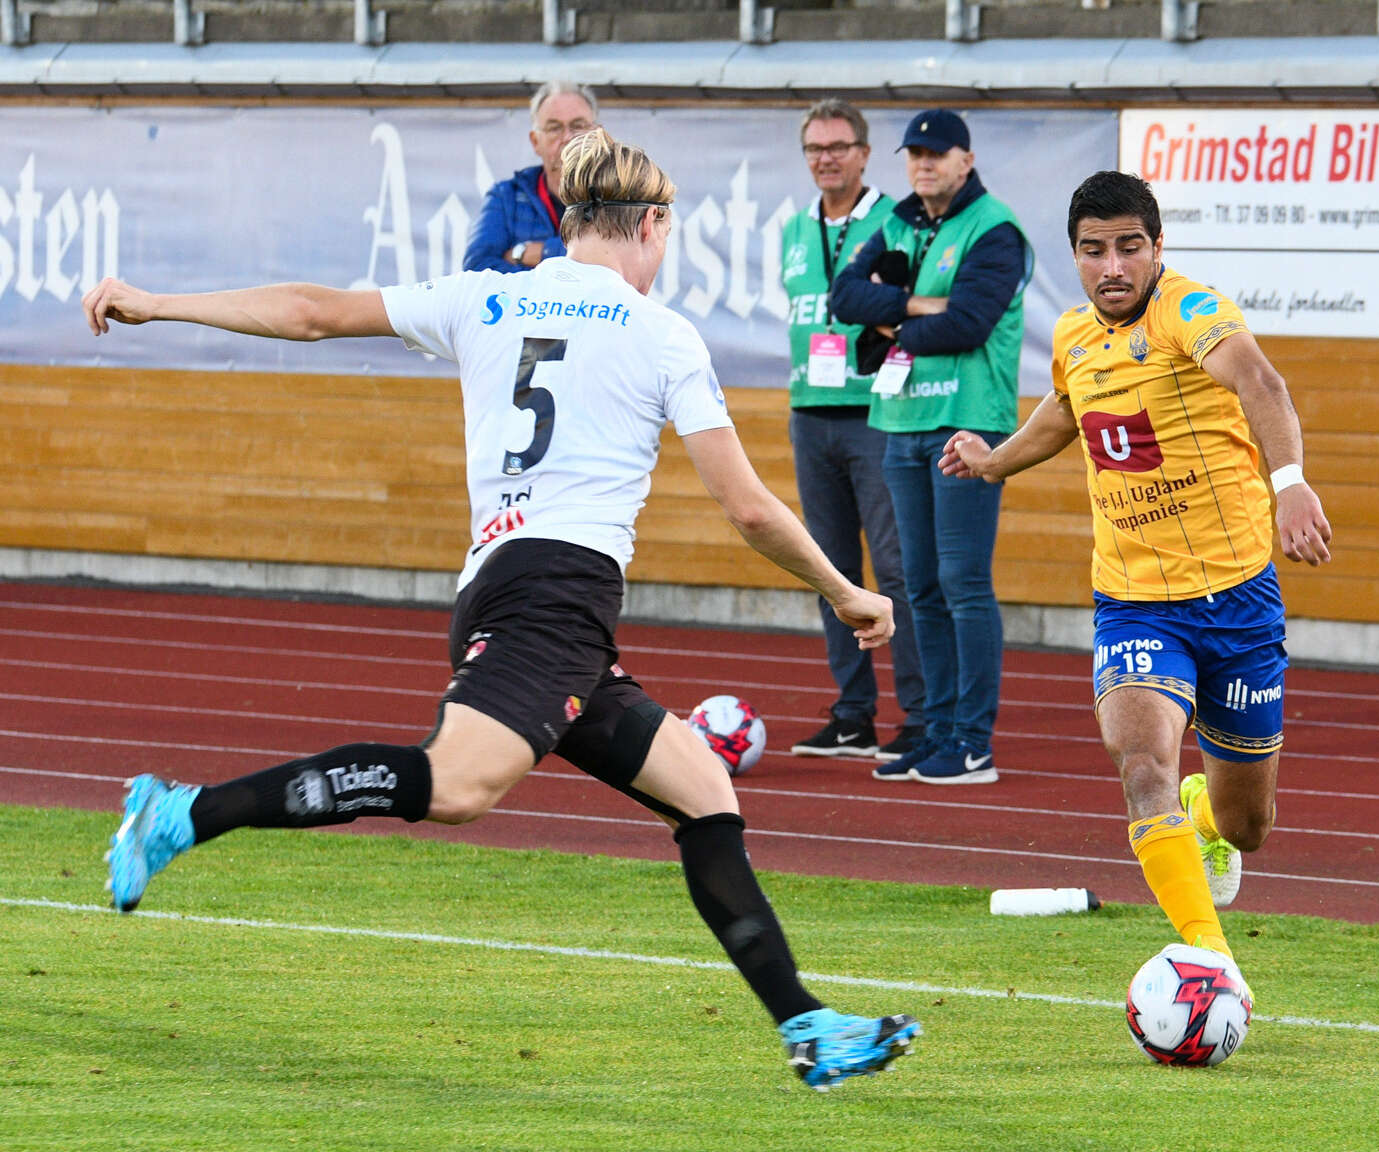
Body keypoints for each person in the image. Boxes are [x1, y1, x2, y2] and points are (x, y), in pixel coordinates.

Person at [84, 129, 921, 1092]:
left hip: (514, 588)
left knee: (703, 793)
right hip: (554, 599)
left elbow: (312, 312)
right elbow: (750, 509)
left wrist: (159, 303)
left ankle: (810, 1028)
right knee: (455, 787)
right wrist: (845, 590)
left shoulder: (487, 296)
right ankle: (183, 812)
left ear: (568, 221)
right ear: (652, 224)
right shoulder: (661, 334)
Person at [939, 170, 1333, 986]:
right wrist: (993, 462)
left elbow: (1262, 383)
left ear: (1157, 248)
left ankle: (1203, 819)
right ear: (1076, 256)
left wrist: (1290, 483)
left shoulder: (1191, 312)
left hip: (1237, 600)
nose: (1112, 266)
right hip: (1134, 601)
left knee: (1248, 824)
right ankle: (1211, 960)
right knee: (1143, 764)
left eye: (1129, 247)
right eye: (1094, 251)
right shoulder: (1075, 337)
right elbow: (1065, 410)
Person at [827, 109, 1031, 786]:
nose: (923, 164)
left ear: (965, 160)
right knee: (918, 586)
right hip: (901, 420)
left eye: (936, 154)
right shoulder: (898, 220)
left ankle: (972, 743)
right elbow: (843, 297)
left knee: (962, 583)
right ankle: (937, 730)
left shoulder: (995, 228)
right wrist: (919, 307)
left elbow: (969, 324)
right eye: (914, 154)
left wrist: (892, 316)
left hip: (968, 424)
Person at [779, 99, 926, 764]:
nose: (826, 158)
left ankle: (919, 715)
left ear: (864, 154)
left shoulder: (895, 223)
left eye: (838, 146)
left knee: (895, 567)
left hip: (877, 413)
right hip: (810, 412)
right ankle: (853, 714)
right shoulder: (793, 228)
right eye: (815, 148)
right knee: (829, 569)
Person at [463, 81, 600, 274]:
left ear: (597, 135)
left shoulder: (617, 195)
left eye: (578, 126)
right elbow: (477, 269)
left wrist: (535, 252)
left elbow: (617, 260)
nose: (567, 137)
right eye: (554, 128)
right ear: (535, 141)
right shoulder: (505, 197)